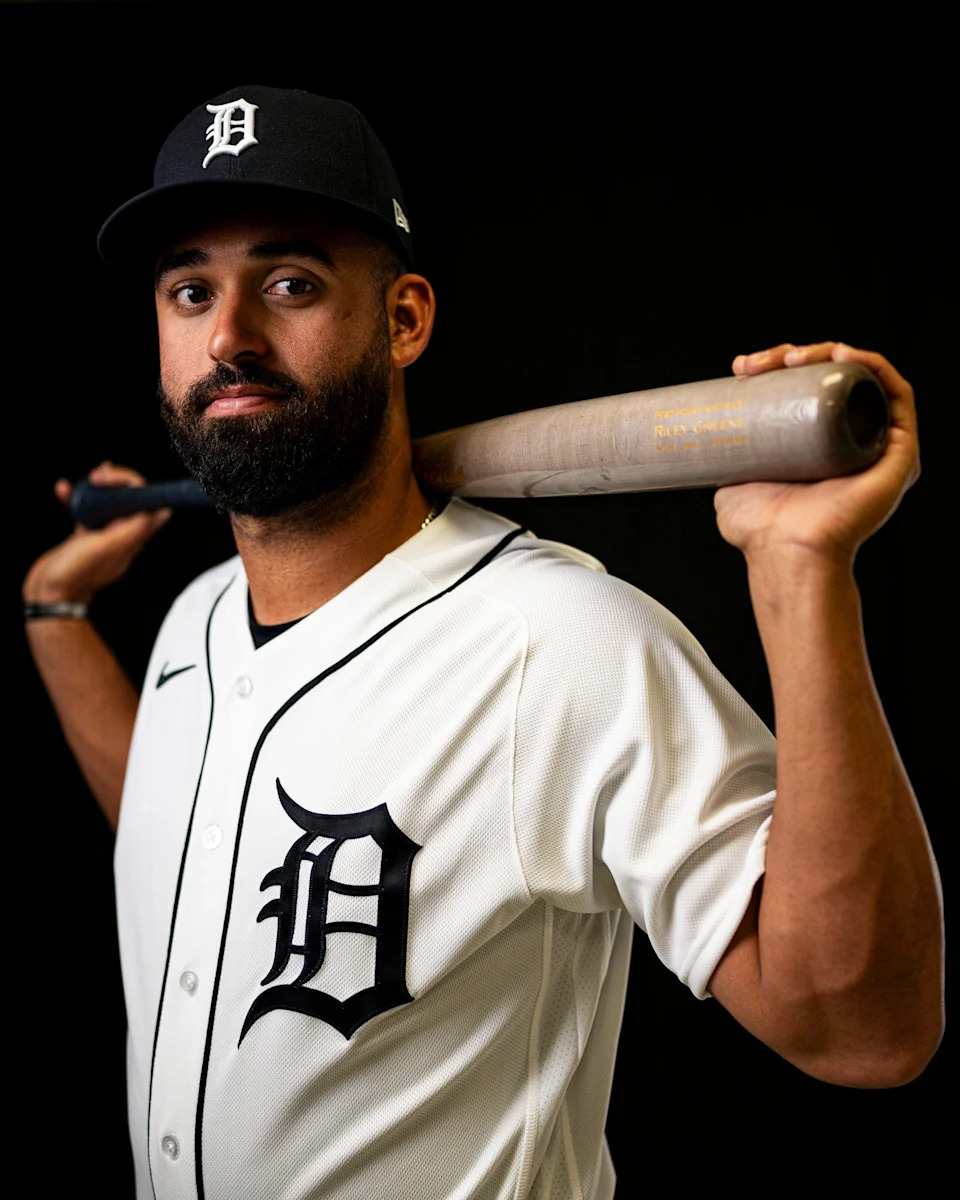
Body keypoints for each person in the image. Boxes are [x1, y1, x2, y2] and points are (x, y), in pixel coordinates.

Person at [23, 85, 944, 1200]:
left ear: (404, 320)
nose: (229, 335)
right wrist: (55, 616)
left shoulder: (561, 646)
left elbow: (863, 1026)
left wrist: (801, 571)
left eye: (290, 282)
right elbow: (183, 846)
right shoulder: (194, 622)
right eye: (189, 290)